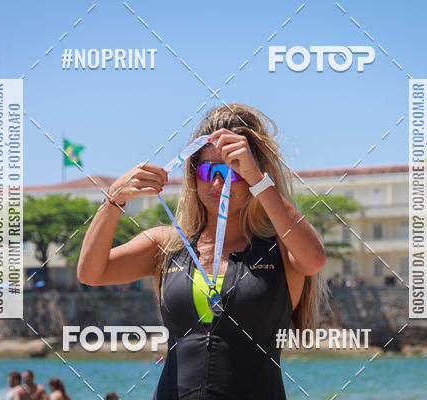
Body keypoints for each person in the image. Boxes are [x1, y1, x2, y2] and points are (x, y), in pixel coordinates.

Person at [78, 104, 329, 399]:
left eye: (233, 170)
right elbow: (91, 272)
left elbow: (314, 260)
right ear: (193, 175)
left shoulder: (280, 247)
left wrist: (258, 179)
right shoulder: (166, 245)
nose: (218, 182)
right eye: (208, 170)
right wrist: (113, 199)